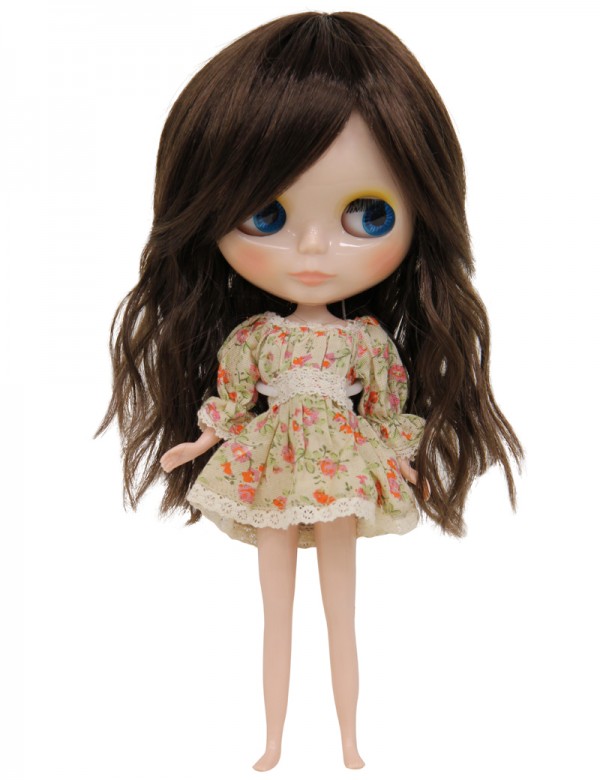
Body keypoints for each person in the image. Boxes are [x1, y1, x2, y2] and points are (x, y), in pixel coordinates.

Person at [97, 12, 523, 771]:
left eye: (368, 214)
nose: (316, 249)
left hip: (342, 466)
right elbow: (233, 400)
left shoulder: (365, 342)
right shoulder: (256, 337)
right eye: (267, 215)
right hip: (270, 464)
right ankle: (273, 741)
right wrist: (197, 443)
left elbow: (386, 411)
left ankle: (350, 740)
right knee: (275, 613)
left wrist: (409, 463)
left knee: (340, 611)